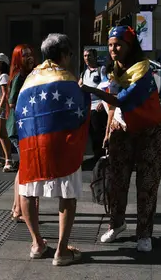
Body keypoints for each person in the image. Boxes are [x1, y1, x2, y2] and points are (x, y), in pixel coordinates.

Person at [82, 26, 161, 253]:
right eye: (110, 45)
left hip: (150, 133)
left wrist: (93, 91)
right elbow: (113, 107)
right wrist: (109, 128)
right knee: (117, 182)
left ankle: (144, 234)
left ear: (130, 46)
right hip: (122, 130)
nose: (113, 49)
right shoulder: (113, 72)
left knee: (146, 185)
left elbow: (122, 99)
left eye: (118, 44)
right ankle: (116, 224)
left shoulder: (142, 71)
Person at [17, 33, 88, 266]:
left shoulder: (30, 78)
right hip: (61, 145)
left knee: (28, 190)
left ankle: (37, 243)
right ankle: (61, 250)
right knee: (67, 193)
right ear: (65, 55)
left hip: (32, 144)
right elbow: (80, 113)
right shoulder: (68, 80)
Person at [7, 44, 35, 222]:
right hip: (19, 127)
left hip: (21, 126)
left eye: (30, 54)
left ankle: (17, 208)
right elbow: (11, 102)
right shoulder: (19, 76)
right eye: (24, 55)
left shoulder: (26, 75)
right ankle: (18, 210)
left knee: (22, 168)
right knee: (24, 168)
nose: (29, 58)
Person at [78, 48, 108, 159]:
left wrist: (103, 101)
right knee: (91, 132)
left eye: (89, 55)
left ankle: (102, 154)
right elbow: (78, 86)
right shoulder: (84, 72)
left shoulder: (101, 70)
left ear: (95, 57)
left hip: (98, 106)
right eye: (85, 56)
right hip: (88, 107)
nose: (87, 58)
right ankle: (96, 155)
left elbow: (107, 87)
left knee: (98, 131)